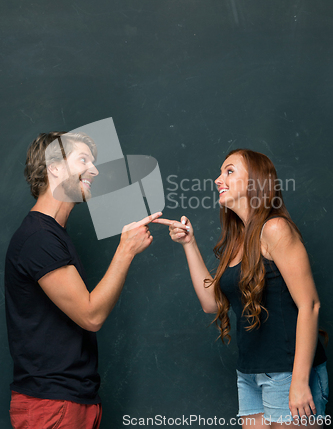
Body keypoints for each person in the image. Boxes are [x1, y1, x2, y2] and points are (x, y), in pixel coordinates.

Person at [153, 148, 329, 428]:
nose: (217, 179)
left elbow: (310, 304)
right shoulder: (237, 242)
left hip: (288, 372)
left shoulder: (275, 229)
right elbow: (210, 303)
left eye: (229, 171)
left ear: (255, 181)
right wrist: (189, 244)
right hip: (249, 374)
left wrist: (299, 381)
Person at [5, 131, 162, 429]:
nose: (95, 169)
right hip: (52, 406)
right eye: (83, 160)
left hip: (71, 402)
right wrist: (126, 249)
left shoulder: (52, 235)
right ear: (54, 167)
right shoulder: (39, 238)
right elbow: (90, 315)